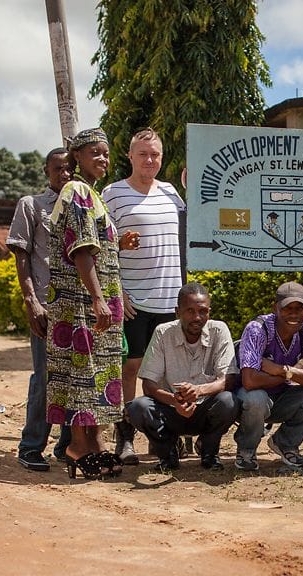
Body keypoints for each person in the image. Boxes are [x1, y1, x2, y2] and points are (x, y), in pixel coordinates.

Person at [44, 128, 126, 479]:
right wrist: (97, 299)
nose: (103, 159)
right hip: (81, 301)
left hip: (96, 298)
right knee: (82, 372)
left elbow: (99, 245)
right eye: (95, 152)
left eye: (106, 153)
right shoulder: (77, 191)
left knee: (98, 372)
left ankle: (96, 443)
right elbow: (81, 249)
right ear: (76, 156)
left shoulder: (94, 195)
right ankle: (78, 445)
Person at [102, 127, 184, 466]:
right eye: (143, 154)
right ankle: (125, 438)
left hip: (172, 300)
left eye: (155, 155)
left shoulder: (172, 193)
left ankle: (163, 437)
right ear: (130, 157)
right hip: (135, 301)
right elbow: (100, 245)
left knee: (166, 373)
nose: (150, 160)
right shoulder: (112, 194)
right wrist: (118, 291)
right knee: (130, 369)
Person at [6, 147, 74, 471]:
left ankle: (67, 445)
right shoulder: (31, 205)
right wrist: (31, 301)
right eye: (58, 169)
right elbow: (21, 256)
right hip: (47, 306)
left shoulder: (82, 206)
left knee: (76, 379)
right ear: (46, 171)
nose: (65, 174)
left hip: (78, 309)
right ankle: (32, 446)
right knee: (45, 378)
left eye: (69, 169)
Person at [127, 283, 237, 471]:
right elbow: (149, 385)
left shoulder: (219, 330)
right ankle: (168, 452)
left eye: (203, 311)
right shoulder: (163, 332)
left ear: (209, 312)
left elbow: (230, 379)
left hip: (205, 409)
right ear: (177, 312)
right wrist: (174, 400)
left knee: (229, 401)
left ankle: (209, 451)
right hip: (171, 409)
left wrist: (199, 390)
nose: (197, 317)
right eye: (190, 311)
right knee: (138, 407)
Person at [234, 281, 303, 471]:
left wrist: (286, 370)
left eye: (299, 308)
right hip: (253, 399)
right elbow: (250, 380)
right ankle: (246, 450)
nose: (293, 314)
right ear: (275, 308)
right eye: (287, 308)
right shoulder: (258, 329)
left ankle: (285, 443)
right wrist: (294, 372)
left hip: (286, 396)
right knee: (256, 398)